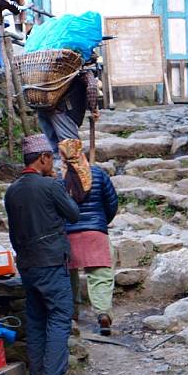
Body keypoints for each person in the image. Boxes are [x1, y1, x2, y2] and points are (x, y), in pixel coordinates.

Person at [4, 135, 79, 375]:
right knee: (59, 316)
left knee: (36, 318)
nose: (53, 163)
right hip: (50, 261)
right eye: (51, 158)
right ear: (43, 158)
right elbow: (73, 213)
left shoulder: (12, 190)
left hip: (27, 263)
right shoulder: (49, 187)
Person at [63, 141, 118, 336]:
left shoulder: (59, 178)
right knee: (101, 276)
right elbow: (112, 203)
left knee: (68, 277)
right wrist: (101, 222)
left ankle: (71, 314)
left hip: (68, 234)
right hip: (95, 232)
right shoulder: (99, 174)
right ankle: (103, 314)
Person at [36, 69, 98, 159]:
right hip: (63, 112)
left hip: (42, 108)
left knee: (54, 150)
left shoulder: (48, 69)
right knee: (72, 154)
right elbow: (92, 87)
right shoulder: (81, 69)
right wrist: (93, 108)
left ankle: (56, 170)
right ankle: (70, 171)